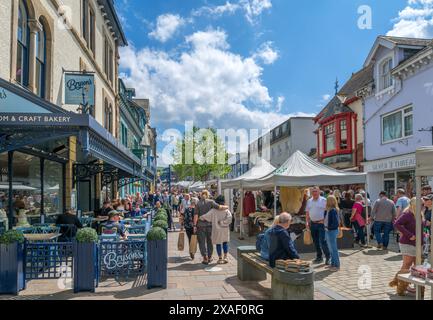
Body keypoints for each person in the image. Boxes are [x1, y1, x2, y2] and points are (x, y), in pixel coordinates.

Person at [391, 198, 421, 296]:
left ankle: (398, 281)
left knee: (417, 265)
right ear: (414, 205)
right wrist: (409, 234)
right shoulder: (407, 214)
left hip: (417, 244)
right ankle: (403, 285)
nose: (423, 206)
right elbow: (397, 224)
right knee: (407, 265)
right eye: (421, 204)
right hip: (407, 243)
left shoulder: (419, 214)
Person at [193, 190, 228, 265]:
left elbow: (196, 215)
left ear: (201, 195)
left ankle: (205, 257)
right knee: (210, 242)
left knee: (202, 242)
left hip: (200, 225)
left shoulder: (198, 203)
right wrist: (227, 207)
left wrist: (194, 225)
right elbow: (219, 207)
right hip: (210, 225)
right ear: (208, 194)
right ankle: (210, 257)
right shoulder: (211, 202)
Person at [200, 195, 233, 264]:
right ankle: (226, 257)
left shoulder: (213, 210)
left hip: (217, 229)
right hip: (224, 229)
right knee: (225, 242)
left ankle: (220, 258)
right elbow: (230, 219)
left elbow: (205, 216)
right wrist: (223, 222)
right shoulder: (226, 210)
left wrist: (199, 217)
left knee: (218, 243)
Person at [306, 186, 331, 265]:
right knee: (316, 241)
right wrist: (307, 222)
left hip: (321, 224)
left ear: (319, 191)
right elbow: (307, 212)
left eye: (316, 191)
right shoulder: (309, 201)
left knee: (323, 241)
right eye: (313, 192)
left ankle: (328, 257)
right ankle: (319, 257)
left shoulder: (324, 200)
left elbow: (328, 211)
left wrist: (324, 220)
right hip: (313, 224)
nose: (314, 193)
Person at [324, 196, 341, 272]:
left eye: (327, 200)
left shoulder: (333, 210)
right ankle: (333, 264)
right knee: (331, 248)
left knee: (333, 249)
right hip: (328, 230)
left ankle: (336, 265)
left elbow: (335, 223)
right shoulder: (328, 210)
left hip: (331, 231)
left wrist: (328, 227)